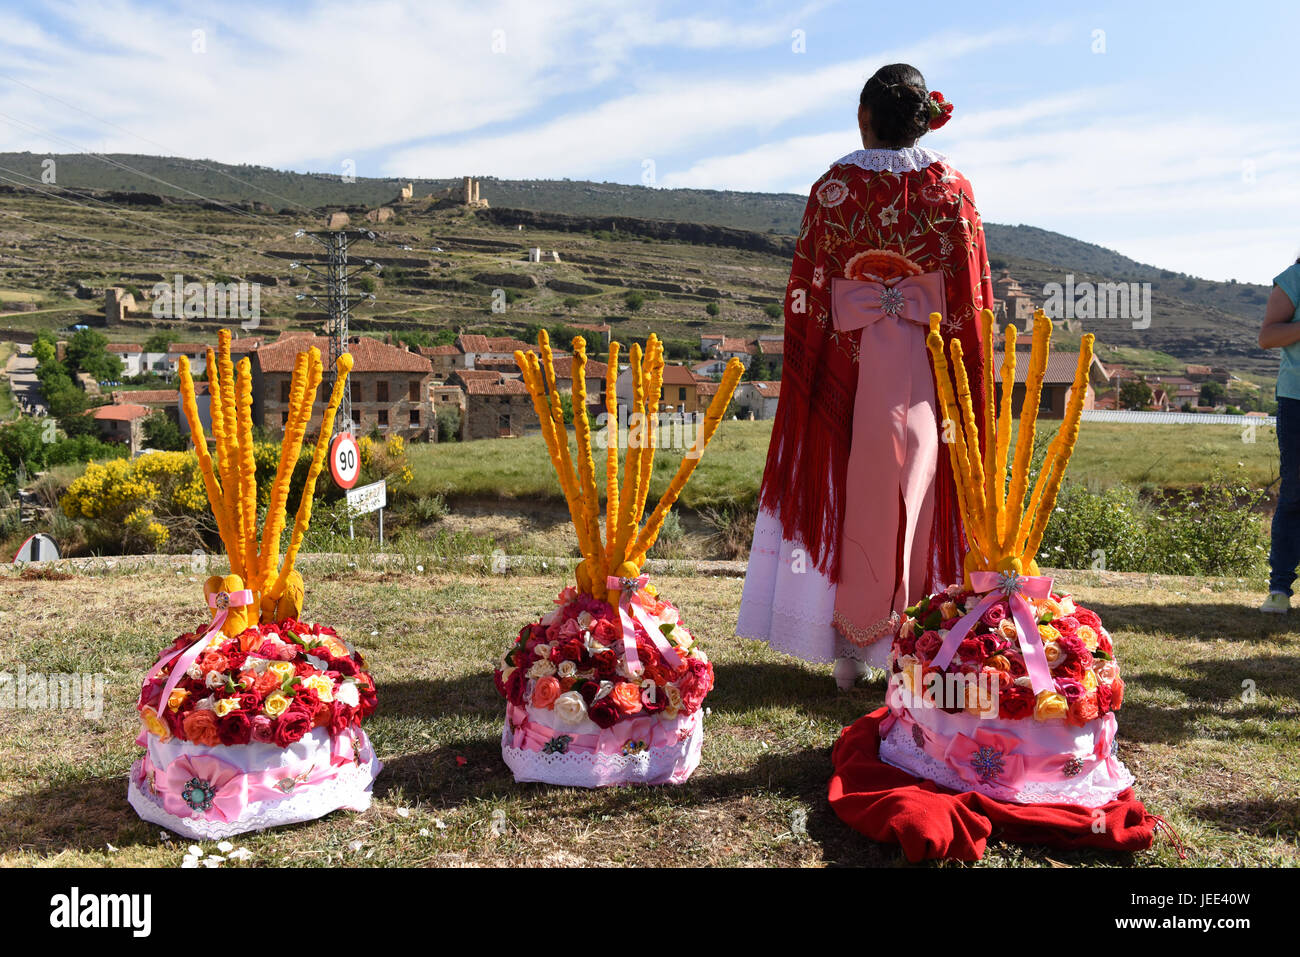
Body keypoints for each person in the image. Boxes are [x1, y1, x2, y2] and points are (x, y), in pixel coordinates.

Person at [736, 63, 991, 688]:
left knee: (845, 493)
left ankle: (846, 653)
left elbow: (808, 289)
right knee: (921, 492)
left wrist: (810, 369)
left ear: (864, 118)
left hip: (843, 372)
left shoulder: (832, 189)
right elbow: (973, 297)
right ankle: (921, 644)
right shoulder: (955, 190)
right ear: (923, 118)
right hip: (930, 373)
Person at [1257, 254, 1300, 613]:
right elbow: (1267, 336)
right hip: (1297, 400)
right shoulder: (1292, 278)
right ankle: (1279, 591)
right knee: (1296, 494)